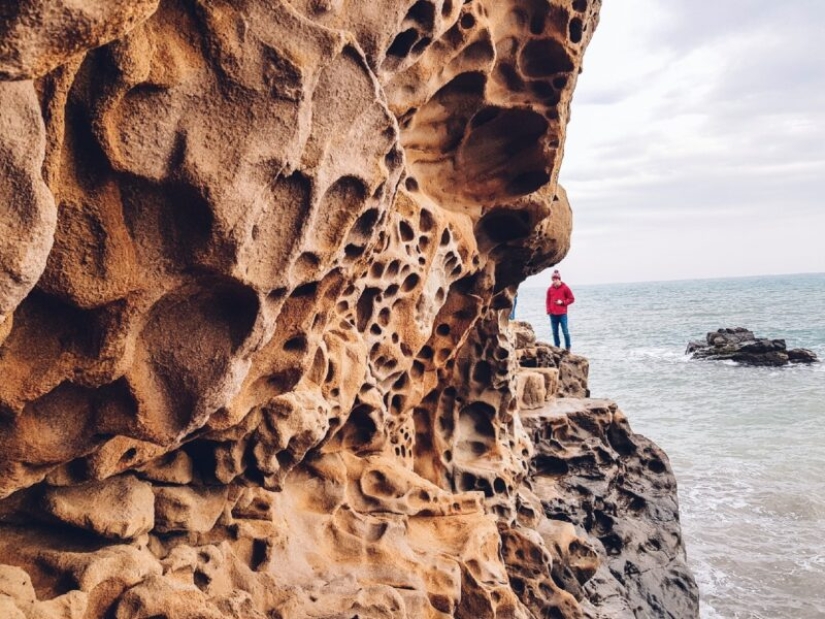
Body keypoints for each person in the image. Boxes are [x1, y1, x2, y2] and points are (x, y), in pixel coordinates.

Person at [545, 269, 574, 350]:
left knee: (565, 331)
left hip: (562, 314)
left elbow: (572, 299)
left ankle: (568, 347)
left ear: (559, 279)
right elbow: (547, 300)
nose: (554, 281)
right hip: (553, 314)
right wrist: (548, 310)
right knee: (555, 332)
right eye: (553, 279)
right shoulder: (550, 289)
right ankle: (557, 348)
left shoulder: (565, 288)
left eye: (556, 279)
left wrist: (563, 302)